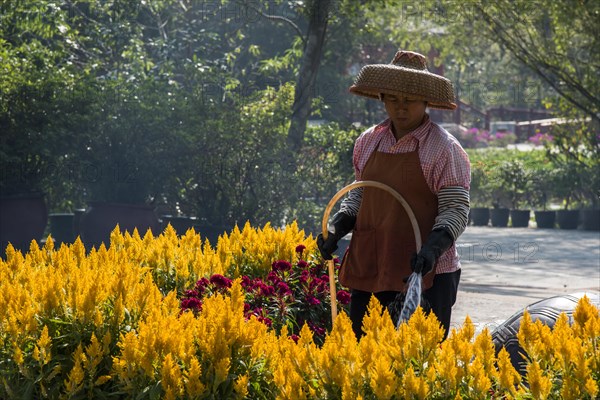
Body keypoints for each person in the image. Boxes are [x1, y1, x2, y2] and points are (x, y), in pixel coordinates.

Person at [317, 50, 471, 340]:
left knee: (417, 360)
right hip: (371, 265)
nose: (401, 108)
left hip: (423, 272)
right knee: (366, 355)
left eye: (410, 100)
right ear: (382, 99)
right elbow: (359, 196)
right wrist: (336, 228)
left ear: (426, 103)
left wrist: (431, 250)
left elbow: (455, 210)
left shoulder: (443, 148)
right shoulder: (368, 141)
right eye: (394, 99)